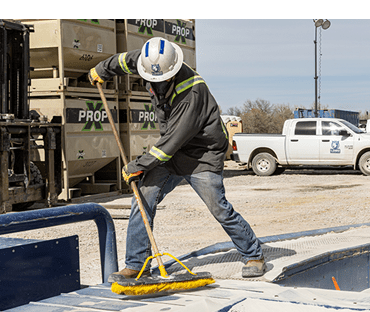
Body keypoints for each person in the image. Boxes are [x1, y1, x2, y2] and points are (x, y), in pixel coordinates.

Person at [89, 37, 266, 280]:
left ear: (172, 72)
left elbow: (169, 144)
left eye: (159, 79)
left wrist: (137, 166)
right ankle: (137, 265)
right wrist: (101, 70)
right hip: (173, 151)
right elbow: (122, 61)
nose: (153, 82)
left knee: (219, 208)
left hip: (201, 154)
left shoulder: (192, 92)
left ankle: (253, 255)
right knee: (143, 197)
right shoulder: (149, 62)